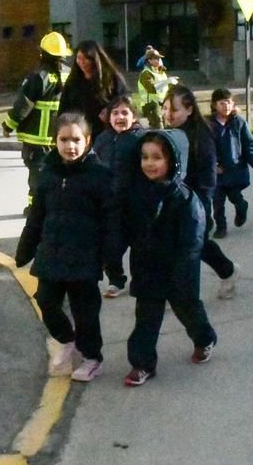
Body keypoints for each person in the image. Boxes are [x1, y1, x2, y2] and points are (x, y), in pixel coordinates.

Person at [15, 112, 116, 383]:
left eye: (76, 140)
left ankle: (92, 357)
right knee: (45, 300)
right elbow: (36, 217)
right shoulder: (48, 174)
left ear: (88, 141)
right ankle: (65, 339)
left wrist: (111, 261)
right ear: (54, 141)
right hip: (52, 253)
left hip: (84, 257)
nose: (70, 146)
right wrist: (24, 250)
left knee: (86, 312)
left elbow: (110, 221)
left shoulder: (100, 176)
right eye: (63, 140)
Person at [121, 130, 217, 387]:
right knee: (146, 319)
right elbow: (125, 230)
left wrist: (184, 273)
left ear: (173, 160)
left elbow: (193, 241)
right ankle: (142, 363)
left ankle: (204, 338)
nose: (149, 163)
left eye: (157, 157)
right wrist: (113, 259)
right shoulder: (136, 195)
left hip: (179, 271)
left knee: (188, 310)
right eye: (144, 157)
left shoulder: (184, 198)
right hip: (147, 269)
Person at [164, 85, 240, 300]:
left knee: (193, 246)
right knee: (181, 245)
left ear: (189, 110)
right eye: (166, 108)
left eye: (175, 109)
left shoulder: (201, 135)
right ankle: (228, 271)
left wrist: (203, 207)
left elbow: (207, 176)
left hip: (194, 202)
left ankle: (226, 272)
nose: (169, 114)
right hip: (172, 201)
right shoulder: (169, 134)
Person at [3, 32, 70, 211]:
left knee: (37, 176)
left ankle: (36, 209)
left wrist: (8, 126)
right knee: (60, 172)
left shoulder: (39, 77)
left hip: (37, 140)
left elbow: (23, 106)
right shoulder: (69, 75)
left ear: (42, 54)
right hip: (61, 137)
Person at [91, 94, 145, 298]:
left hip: (136, 205)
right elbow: (94, 167)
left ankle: (141, 282)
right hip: (110, 206)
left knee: (141, 249)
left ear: (134, 117)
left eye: (125, 113)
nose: (120, 117)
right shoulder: (102, 139)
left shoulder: (141, 139)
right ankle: (116, 280)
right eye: (115, 113)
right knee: (110, 247)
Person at [209, 88, 253, 238]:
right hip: (217, 172)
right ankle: (221, 227)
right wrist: (212, 165)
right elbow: (204, 149)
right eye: (222, 103)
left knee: (235, 197)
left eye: (228, 102)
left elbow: (248, 145)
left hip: (234, 169)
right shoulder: (208, 125)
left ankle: (242, 208)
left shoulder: (239, 122)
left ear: (233, 104)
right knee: (217, 202)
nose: (226, 106)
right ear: (214, 105)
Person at [59, 39, 129, 139]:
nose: (82, 62)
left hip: (106, 133)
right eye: (79, 58)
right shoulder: (73, 81)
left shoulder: (111, 79)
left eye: (86, 59)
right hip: (80, 133)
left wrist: (110, 109)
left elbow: (125, 99)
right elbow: (64, 107)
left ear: (95, 59)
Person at [136, 47, 173, 129]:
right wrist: (167, 82)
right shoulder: (146, 73)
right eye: (156, 58)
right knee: (158, 127)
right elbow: (152, 89)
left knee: (166, 127)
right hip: (151, 104)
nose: (159, 60)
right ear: (149, 60)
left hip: (162, 103)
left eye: (159, 58)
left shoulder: (160, 72)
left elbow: (165, 87)